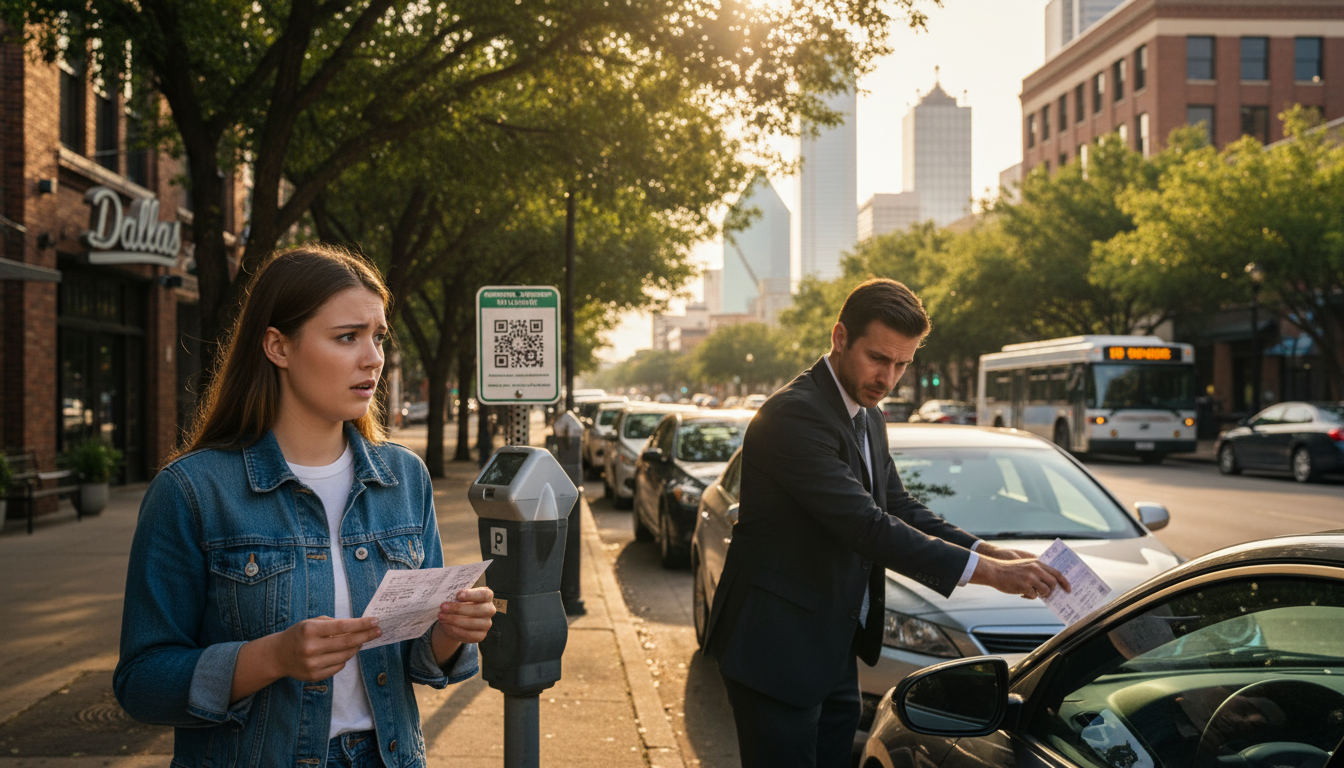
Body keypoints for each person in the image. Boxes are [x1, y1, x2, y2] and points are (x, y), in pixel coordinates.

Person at [114, 245, 496, 767]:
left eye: (378, 337)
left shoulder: (403, 477)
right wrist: (271, 657)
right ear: (278, 346)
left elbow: (417, 659)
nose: (373, 358)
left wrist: (450, 631)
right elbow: (141, 683)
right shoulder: (191, 491)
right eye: (347, 337)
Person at [702, 278, 1070, 768]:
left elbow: (897, 503)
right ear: (840, 338)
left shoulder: (868, 412)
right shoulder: (794, 416)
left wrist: (988, 550)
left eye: (902, 364)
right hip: (775, 645)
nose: (888, 377)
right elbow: (868, 525)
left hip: (833, 641)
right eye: (878, 358)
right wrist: (991, 574)